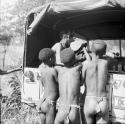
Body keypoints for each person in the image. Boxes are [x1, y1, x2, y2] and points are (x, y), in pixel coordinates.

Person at [81, 40, 110, 124]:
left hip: (89, 100)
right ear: (104, 52)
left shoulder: (86, 64)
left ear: (92, 50)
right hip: (102, 101)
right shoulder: (105, 63)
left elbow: (81, 82)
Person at [54, 48, 82, 124]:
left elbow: (55, 64)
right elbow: (84, 63)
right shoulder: (77, 69)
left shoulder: (58, 69)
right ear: (73, 60)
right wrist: (76, 59)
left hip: (62, 109)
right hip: (74, 109)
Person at [37, 48, 59, 124]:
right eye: (54, 57)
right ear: (50, 59)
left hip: (43, 102)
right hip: (50, 104)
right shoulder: (53, 71)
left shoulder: (42, 71)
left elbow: (44, 85)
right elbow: (59, 83)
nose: (55, 59)